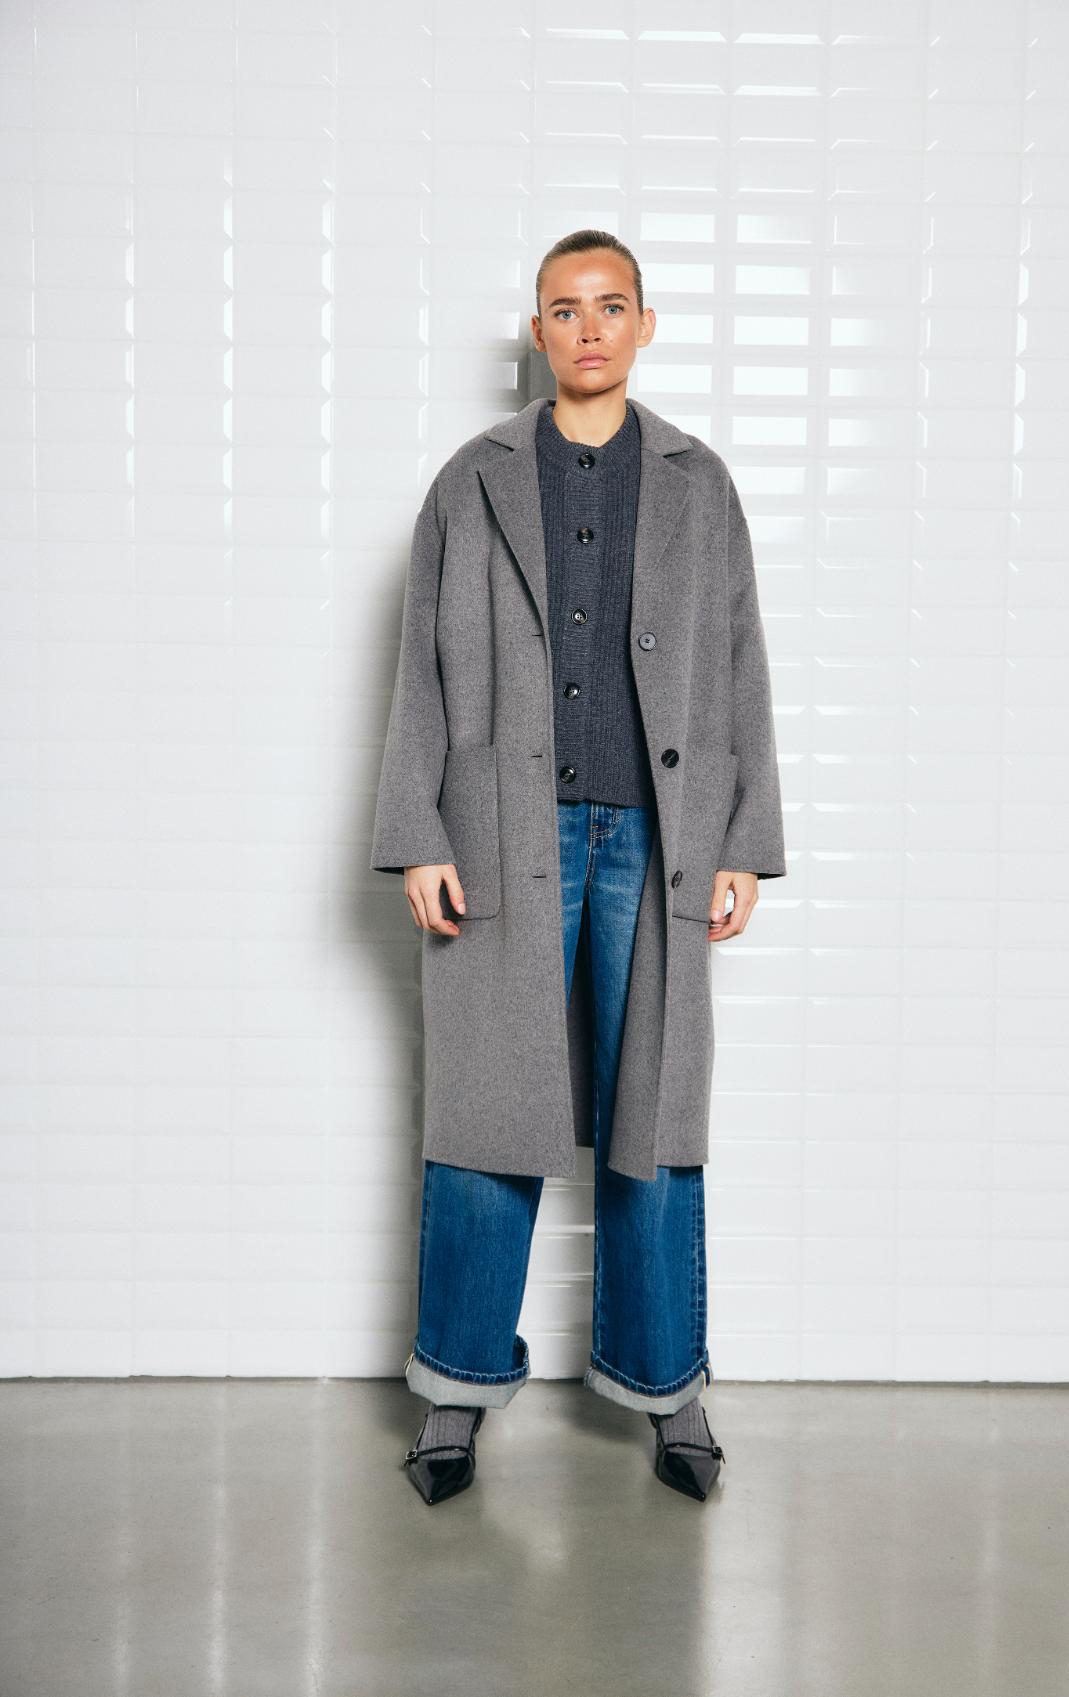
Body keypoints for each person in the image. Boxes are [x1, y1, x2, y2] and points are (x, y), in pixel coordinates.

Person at [370, 229, 787, 1506]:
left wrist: (744, 840)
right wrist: (416, 829)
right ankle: (454, 1384)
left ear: (644, 324)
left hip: (658, 836)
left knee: (654, 1114)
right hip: (503, 834)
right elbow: (418, 668)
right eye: (565, 308)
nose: (589, 328)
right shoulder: (473, 479)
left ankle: (668, 1386)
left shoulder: (700, 483)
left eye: (611, 306)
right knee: (485, 1110)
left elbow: (740, 662)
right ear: (537, 330)